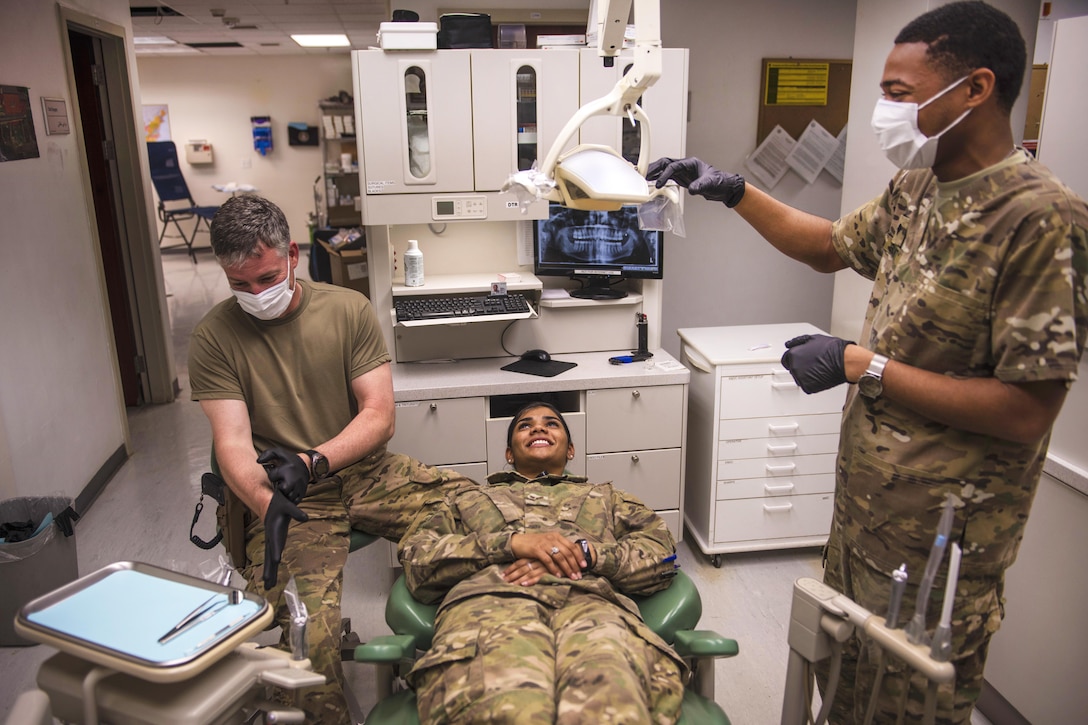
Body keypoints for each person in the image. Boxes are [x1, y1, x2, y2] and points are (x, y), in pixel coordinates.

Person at [648, 2, 1087, 723]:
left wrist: (862, 364)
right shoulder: (916, 190)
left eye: (899, 93)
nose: (883, 109)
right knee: (846, 691)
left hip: (942, 544)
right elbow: (828, 244)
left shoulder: (1040, 220)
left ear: (974, 90)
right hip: (864, 519)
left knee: (903, 707)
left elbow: (1026, 408)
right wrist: (732, 190)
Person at [188, 194, 466, 724]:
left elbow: (379, 416)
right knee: (308, 638)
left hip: (362, 470)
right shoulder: (214, 337)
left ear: (291, 254)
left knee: (481, 515)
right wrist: (265, 502)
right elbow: (231, 443)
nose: (256, 295)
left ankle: (467, 662)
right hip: (287, 496)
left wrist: (315, 459)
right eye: (239, 285)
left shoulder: (346, 309)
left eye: (267, 278)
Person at [397, 402, 687, 724]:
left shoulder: (608, 498)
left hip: (592, 606)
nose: (538, 428)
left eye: (552, 424)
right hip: (492, 604)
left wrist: (586, 553)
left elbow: (662, 556)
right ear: (509, 454)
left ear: (571, 449)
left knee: (610, 704)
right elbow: (417, 558)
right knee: (508, 708)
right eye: (525, 425)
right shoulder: (466, 499)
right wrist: (510, 544)